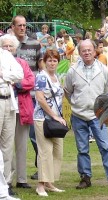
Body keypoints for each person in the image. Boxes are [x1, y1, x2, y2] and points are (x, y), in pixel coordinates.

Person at [64, 39, 108, 190]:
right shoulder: (73, 71)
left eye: (89, 49)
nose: (87, 52)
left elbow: (106, 92)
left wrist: (102, 109)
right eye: (84, 50)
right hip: (78, 115)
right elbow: (68, 92)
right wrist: (77, 103)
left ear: (94, 50)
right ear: (80, 52)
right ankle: (85, 177)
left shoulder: (103, 70)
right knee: (82, 148)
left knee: (105, 146)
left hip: (98, 115)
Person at [0, 34, 35, 190]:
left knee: (18, 145)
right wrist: (12, 80)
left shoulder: (20, 63)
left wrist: (11, 80)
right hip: (4, 103)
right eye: (4, 46)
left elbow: (28, 80)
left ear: (16, 48)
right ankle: (6, 180)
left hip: (19, 107)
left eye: (10, 46)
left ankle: (16, 180)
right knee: (5, 145)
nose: (8, 49)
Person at [11, 15, 42, 181]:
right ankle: (10, 175)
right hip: (13, 98)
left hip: (32, 97)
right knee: (10, 139)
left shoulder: (35, 44)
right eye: (19, 25)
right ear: (13, 27)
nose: (23, 28)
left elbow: (40, 66)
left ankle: (41, 168)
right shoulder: (7, 46)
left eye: (24, 25)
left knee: (34, 136)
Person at [33, 49, 66, 196]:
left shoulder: (56, 77)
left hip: (56, 119)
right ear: (44, 62)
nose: (52, 63)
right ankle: (40, 185)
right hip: (43, 118)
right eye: (49, 60)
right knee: (45, 151)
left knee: (57, 151)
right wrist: (54, 115)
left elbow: (58, 98)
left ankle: (49, 182)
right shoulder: (41, 77)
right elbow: (40, 98)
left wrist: (60, 116)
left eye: (55, 60)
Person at [0, 44, 24, 196]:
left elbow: (19, 74)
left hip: (9, 102)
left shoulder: (6, 55)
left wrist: (3, 75)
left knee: (7, 146)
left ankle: (6, 184)